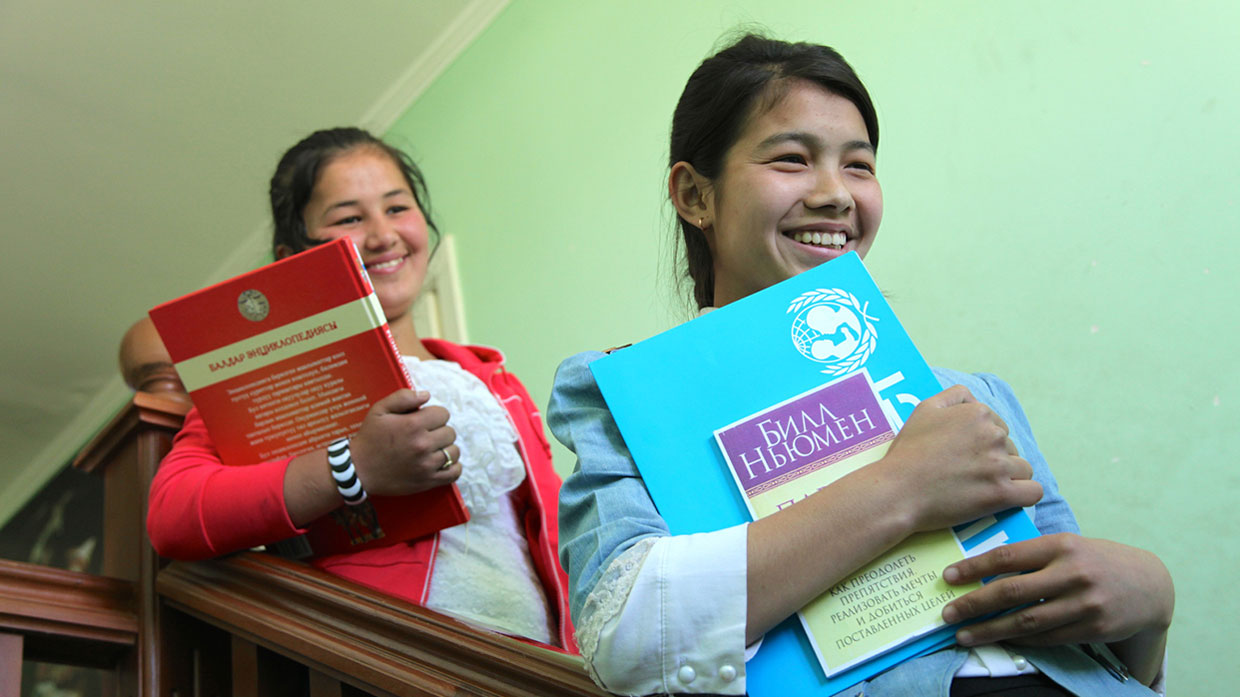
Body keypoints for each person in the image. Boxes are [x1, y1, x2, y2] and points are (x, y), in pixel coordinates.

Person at [549, 35, 1171, 695]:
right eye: (792, 159)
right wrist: (901, 489)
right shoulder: (631, 395)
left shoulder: (969, 395)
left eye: (859, 165)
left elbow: (1084, 634)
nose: (836, 194)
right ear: (694, 194)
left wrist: (1152, 608)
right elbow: (628, 641)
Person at [147, 127, 575, 651]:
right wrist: (352, 467)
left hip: (537, 664)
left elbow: (556, 539)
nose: (382, 235)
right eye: (349, 217)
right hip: (385, 655)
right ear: (292, 257)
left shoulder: (491, 379)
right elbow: (174, 513)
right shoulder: (270, 381)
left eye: (397, 208)